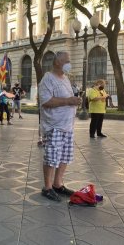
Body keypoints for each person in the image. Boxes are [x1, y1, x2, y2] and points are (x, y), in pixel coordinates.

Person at [39, 51, 81, 202]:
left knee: (64, 156)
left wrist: (74, 101)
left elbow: (68, 98)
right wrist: (68, 101)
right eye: (67, 60)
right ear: (57, 62)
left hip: (67, 125)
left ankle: (58, 184)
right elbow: (46, 101)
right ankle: (48, 187)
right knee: (51, 157)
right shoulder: (48, 79)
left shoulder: (65, 79)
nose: (69, 63)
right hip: (54, 125)